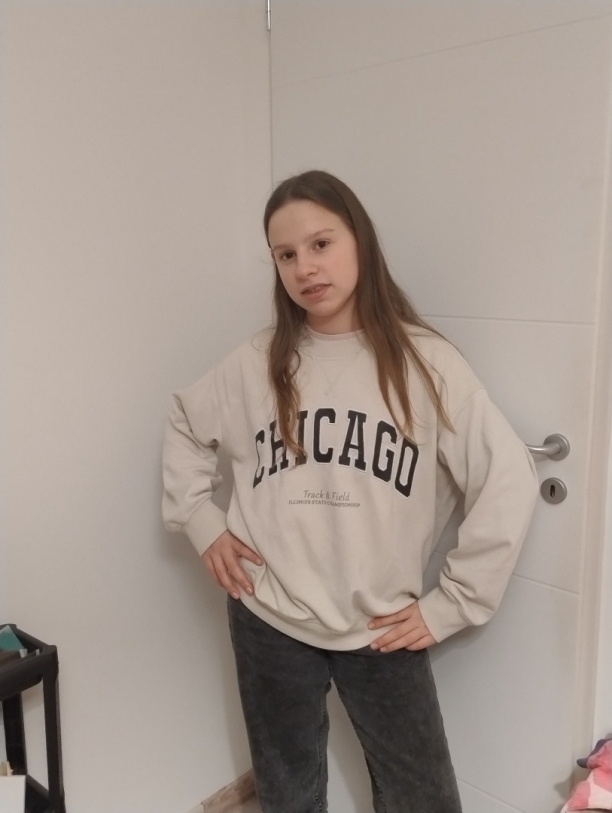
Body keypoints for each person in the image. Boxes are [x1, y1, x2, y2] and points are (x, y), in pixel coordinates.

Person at [162, 169, 539, 813]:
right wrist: (201, 520)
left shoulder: (427, 364)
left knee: (424, 798)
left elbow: (508, 479)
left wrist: (452, 604)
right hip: (268, 615)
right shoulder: (258, 361)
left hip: (380, 626)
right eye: (285, 255)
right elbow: (185, 422)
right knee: (288, 792)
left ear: (359, 239)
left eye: (321, 243)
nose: (305, 267)